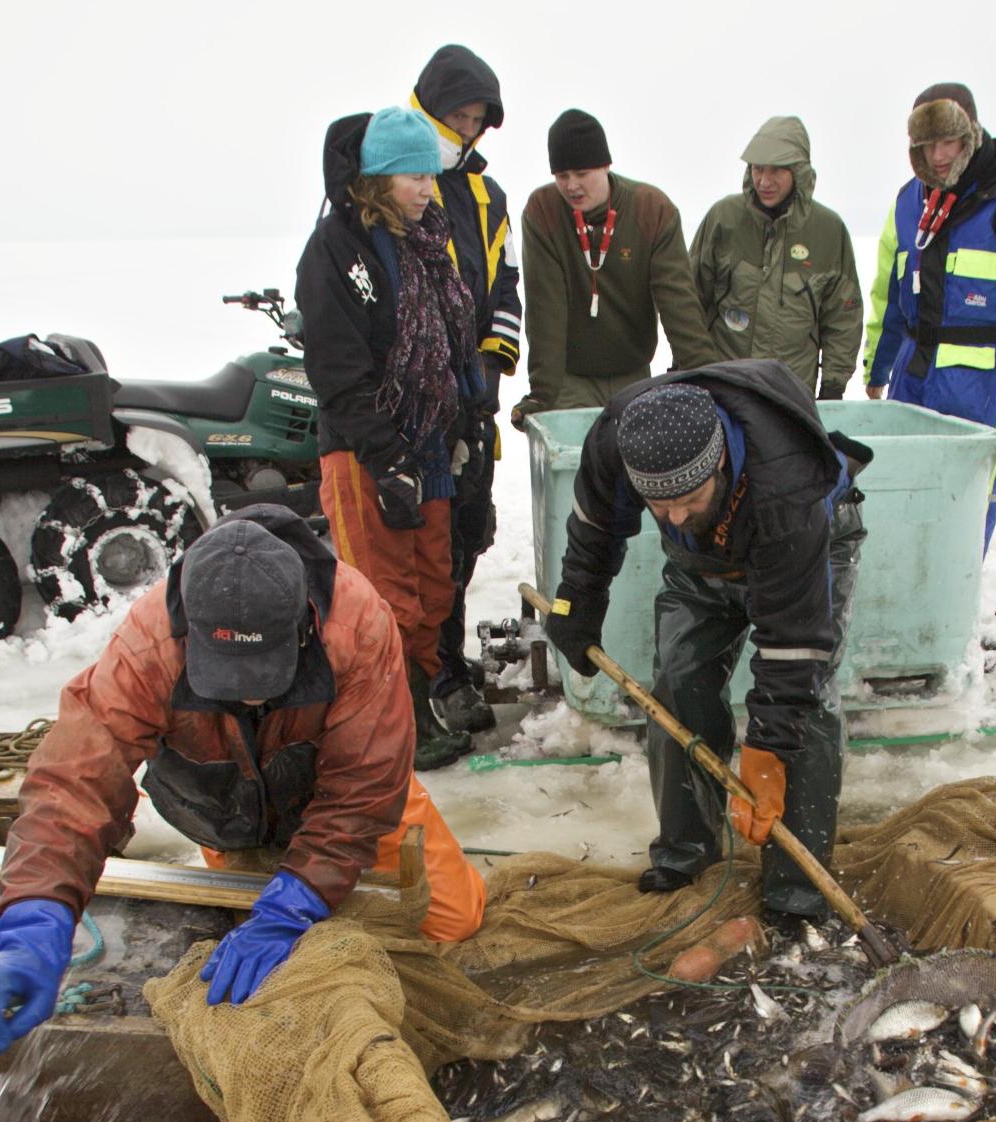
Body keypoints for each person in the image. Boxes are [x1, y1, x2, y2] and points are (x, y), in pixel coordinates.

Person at [0, 507, 490, 1064]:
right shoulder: (148, 644)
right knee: (256, 972)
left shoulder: (355, 625)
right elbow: (75, 782)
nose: (249, 697)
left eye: (263, 675)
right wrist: (33, 925)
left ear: (303, 626)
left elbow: (365, 788)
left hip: (344, 793)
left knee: (456, 917)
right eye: (230, 677)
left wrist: (293, 904)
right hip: (227, 805)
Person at [541, 362, 868, 926]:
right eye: (658, 506)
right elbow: (593, 530)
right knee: (677, 680)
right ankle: (686, 850)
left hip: (807, 547)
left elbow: (795, 647)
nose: (673, 516)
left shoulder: (785, 486)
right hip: (703, 563)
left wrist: (766, 754)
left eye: (689, 499)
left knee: (805, 705)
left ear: (719, 462)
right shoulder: (618, 440)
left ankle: (797, 887)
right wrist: (577, 606)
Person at [297, 102, 488, 771]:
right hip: (365, 450)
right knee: (383, 598)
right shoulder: (333, 252)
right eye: (413, 177)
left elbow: (453, 340)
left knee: (435, 586)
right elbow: (337, 370)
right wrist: (387, 458)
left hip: (430, 440)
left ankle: (422, 698)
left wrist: (467, 422)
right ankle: (388, 723)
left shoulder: (428, 243)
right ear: (379, 178)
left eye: (430, 178)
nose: (426, 189)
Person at [861, 82, 996, 549]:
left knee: (971, 494)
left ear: (971, 135)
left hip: (978, 376)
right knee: (903, 488)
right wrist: (877, 366)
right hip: (912, 369)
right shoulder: (908, 201)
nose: (938, 156)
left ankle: (953, 593)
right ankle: (903, 586)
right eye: (926, 146)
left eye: (948, 142)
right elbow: (889, 290)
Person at [410, 45, 521, 739]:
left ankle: (445, 658)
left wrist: (491, 363)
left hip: (473, 403)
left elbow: (504, 285)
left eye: (477, 120)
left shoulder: (486, 195)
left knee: (467, 536)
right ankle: (432, 678)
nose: (467, 130)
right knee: (426, 548)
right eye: (457, 116)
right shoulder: (400, 187)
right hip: (422, 406)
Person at [513, 110, 719, 424]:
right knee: (579, 465)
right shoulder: (544, 211)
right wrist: (542, 394)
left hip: (632, 374)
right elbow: (546, 310)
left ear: (605, 165)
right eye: (562, 175)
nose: (572, 186)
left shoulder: (652, 210)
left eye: (582, 173)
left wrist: (708, 380)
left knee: (633, 464)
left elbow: (679, 306)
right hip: (569, 379)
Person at [690, 116, 865, 400]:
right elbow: (689, 301)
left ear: (799, 172)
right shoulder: (724, 219)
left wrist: (833, 387)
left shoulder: (828, 230)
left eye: (777, 171)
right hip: (724, 389)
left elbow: (843, 316)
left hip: (791, 396)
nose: (764, 181)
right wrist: (686, 368)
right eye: (758, 169)